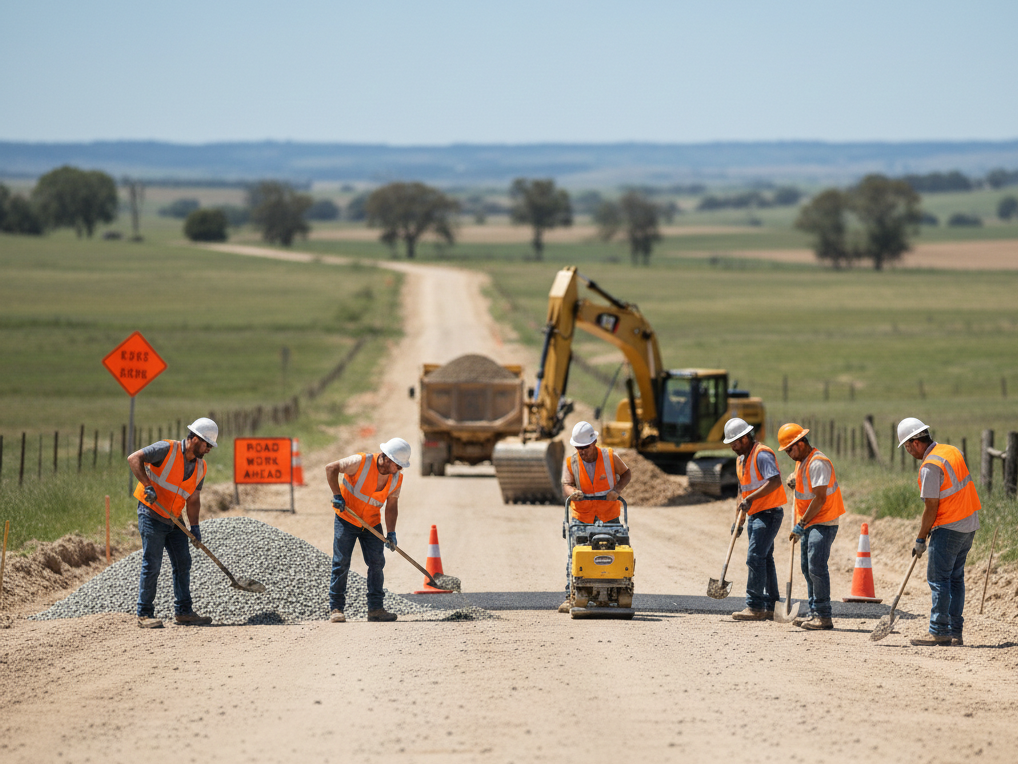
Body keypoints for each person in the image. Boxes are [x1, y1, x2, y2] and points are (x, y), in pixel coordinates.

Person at [128, 418, 219, 629]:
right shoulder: (166, 449)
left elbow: (193, 499)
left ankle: (184, 611)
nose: (208, 450)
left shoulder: (200, 468)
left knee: (183, 562)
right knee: (152, 563)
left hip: (175, 519)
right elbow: (134, 458)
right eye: (207, 444)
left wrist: (194, 527)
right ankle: (144, 613)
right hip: (151, 514)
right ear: (195, 439)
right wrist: (147, 485)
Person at [897, 417, 980, 647]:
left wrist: (920, 538)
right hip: (969, 524)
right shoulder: (951, 451)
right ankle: (955, 632)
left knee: (939, 579)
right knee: (955, 579)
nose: (908, 451)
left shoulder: (930, 466)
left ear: (915, 442)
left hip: (948, 527)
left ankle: (938, 630)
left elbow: (931, 507)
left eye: (906, 446)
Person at [324, 438, 411, 623]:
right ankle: (336, 608)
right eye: (398, 465)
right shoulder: (360, 462)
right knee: (341, 562)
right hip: (347, 519)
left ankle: (375, 609)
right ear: (387, 459)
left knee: (377, 562)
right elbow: (330, 468)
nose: (399, 469)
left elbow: (391, 505)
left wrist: (391, 532)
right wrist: (337, 495)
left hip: (371, 523)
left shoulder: (396, 477)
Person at [558, 421, 632, 613]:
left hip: (609, 514)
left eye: (585, 447)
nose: (582, 451)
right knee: (575, 555)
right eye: (578, 448)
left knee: (613, 551)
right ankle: (571, 595)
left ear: (594, 442)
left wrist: (617, 490)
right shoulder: (570, 462)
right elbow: (566, 483)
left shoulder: (609, 456)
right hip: (582, 516)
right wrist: (572, 491)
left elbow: (626, 473)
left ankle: (617, 589)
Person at [778, 423, 845, 631]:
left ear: (800, 442)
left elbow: (819, 498)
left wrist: (801, 524)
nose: (789, 454)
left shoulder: (818, 462)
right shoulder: (802, 461)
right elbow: (804, 484)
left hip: (823, 521)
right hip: (810, 521)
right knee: (807, 568)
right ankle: (814, 611)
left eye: (790, 449)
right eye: (786, 450)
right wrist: (794, 480)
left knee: (816, 566)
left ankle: (823, 615)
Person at [724, 418, 787, 621]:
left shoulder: (762, 454)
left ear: (745, 438)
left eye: (734, 442)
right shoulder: (741, 460)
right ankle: (771, 605)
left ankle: (754, 606)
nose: (732, 446)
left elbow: (775, 480)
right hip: (754, 515)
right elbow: (743, 493)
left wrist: (751, 498)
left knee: (755, 557)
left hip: (769, 513)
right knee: (765, 559)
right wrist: (738, 521)